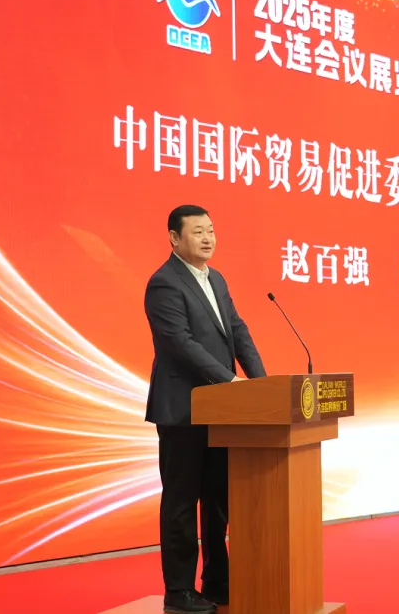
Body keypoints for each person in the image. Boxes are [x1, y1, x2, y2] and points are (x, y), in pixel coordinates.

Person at [144, 204, 267, 614]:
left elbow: (237, 331)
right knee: (182, 501)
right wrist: (230, 380)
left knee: (217, 499)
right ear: (174, 238)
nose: (207, 238)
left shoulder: (216, 278)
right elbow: (180, 343)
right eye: (197, 231)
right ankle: (178, 590)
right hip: (183, 409)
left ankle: (217, 579)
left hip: (220, 411)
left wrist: (261, 384)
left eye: (211, 230)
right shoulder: (164, 283)